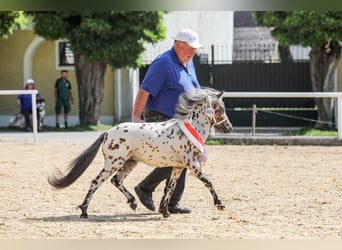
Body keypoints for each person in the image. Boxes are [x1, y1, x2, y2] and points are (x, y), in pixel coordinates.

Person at [131, 28, 203, 214]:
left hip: (180, 119)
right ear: (177, 44)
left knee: (185, 157)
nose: (193, 52)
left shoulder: (188, 62)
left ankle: (172, 203)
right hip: (159, 117)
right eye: (190, 48)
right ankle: (145, 188)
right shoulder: (163, 63)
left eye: (195, 49)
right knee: (178, 158)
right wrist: (136, 118)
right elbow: (144, 91)